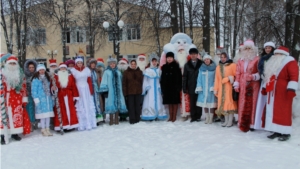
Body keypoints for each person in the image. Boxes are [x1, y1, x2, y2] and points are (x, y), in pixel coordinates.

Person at [260, 46, 299, 141]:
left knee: (283, 111)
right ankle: (276, 130)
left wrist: (291, 89)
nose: (275, 55)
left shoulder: (290, 62)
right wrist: (265, 87)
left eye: (278, 53)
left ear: (283, 55)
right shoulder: (273, 63)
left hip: (283, 91)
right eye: (275, 53)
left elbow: (294, 76)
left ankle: (285, 132)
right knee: (273, 111)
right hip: (272, 91)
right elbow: (269, 76)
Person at [233, 40, 260, 132]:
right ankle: (242, 122)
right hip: (242, 83)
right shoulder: (240, 60)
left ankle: (251, 123)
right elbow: (238, 73)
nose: (248, 50)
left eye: (249, 48)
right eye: (246, 48)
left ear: (253, 49)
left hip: (253, 85)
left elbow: (260, 72)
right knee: (242, 102)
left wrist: (253, 76)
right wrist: (236, 84)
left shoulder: (257, 59)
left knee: (252, 102)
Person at [1, 55, 29, 142]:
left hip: (16, 99)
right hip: (4, 98)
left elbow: (23, 87)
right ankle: (2, 134)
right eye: (11, 63)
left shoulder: (20, 75)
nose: (12, 65)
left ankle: (14, 133)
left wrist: (24, 100)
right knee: (3, 117)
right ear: (7, 64)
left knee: (16, 116)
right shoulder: (2, 74)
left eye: (14, 63)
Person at [254, 42, 276, 130]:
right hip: (263, 80)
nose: (267, 49)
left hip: (272, 80)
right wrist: (262, 74)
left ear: (272, 49)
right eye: (266, 48)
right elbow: (260, 68)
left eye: (269, 48)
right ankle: (261, 121)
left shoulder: (274, 57)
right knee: (262, 100)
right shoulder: (262, 58)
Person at [99, 57, 127, 125]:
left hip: (118, 92)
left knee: (118, 104)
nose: (112, 65)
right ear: (109, 64)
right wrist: (105, 91)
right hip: (110, 92)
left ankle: (116, 119)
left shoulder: (118, 72)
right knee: (111, 104)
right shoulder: (106, 72)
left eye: (114, 63)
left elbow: (121, 81)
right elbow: (104, 81)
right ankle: (111, 120)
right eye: (111, 64)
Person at [71, 57, 97, 130]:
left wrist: (91, 90)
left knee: (87, 104)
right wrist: (75, 92)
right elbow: (73, 82)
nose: (79, 64)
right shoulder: (73, 71)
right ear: (76, 63)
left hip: (86, 89)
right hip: (78, 88)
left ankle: (90, 123)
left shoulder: (86, 70)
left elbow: (89, 80)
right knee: (81, 105)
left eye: (81, 63)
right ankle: (82, 124)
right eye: (78, 63)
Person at [53, 63, 79, 131]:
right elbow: (53, 86)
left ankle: (71, 125)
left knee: (70, 110)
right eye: (62, 68)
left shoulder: (70, 76)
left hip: (69, 95)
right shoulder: (55, 76)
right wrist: (54, 89)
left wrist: (75, 95)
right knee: (61, 111)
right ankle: (63, 126)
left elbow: (74, 86)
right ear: (59, 69)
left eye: (64, 68)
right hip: (60, 95)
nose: (63, 69)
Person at [214, 52, 237, 127]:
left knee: (229, 103)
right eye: (221, 57)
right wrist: (216, 89)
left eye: (224, 57)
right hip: (221, 88)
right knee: (223, 104)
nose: (223, 59)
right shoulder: (218, 67)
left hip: (229, 88)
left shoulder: (232, 65)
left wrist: (228, 78)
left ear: (227, 57)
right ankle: (226, 120)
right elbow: (217, 79)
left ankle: (230, 121)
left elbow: (236, 75)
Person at [141, 53, 167, 120]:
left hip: (157, 89)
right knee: (150, 101)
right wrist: (146, 87)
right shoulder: (147, 70)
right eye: (153, 61)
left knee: (158, 101)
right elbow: (145, 81)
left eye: (155, 61)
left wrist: (160, 87)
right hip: (150, 89)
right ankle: (150, 115)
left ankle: (159, 114)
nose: (154, 63)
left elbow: (161, 80)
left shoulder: (159, 71)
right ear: (150, 62)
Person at [31, 64, 54, 136]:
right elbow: (34, 90)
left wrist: (52, 92)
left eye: (43, 70)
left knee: (48, 115)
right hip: (40, 99)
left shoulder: (47, 78)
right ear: (38, 71)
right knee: (42, 115)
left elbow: (50, 87)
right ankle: (43, 129)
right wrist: (36, 98)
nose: (42, 71)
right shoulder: (36, 79)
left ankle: (47, 128)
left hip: (47, 98)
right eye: (40, 70)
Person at [183, 48, 203, 122]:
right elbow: (185, 77)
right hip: (191, 85)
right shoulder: (187, 65)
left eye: (195, 54)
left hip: (200, 86)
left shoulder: (201, 63)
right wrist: (184, 87)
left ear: (197, 55)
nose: (193, 55)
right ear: (190, 55)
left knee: (199, 101)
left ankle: (198, 116)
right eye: (192, 54)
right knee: (192, 102)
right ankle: (193, 116)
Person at [160, 52, 182, 122]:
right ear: (166, 59)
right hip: (167, 88)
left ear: (173, 58)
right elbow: (162, 78)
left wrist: (179, 87)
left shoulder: (176, 66)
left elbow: (179, 78)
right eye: (168, 58)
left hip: (175, 88)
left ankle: (174, 117)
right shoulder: (164, 67)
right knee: (169, 102)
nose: (169, 59)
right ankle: (170, 116)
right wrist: (163, 87)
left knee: (174, 102)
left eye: (170, 58)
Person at [195, 54, 217, 124]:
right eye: (205, 60)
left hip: (211, 89)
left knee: (211, 104)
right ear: (204, 61)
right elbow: (199, 79)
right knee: (205, 104)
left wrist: (214, 87)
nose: (207, 61)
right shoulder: (201, 69)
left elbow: (216, 79)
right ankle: (207, 117)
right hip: (203, 89)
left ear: (210, 60)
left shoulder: (214, 68)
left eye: (208, 59)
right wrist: (199, 87)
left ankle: (211, 117)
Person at [122, 60, 143, 124]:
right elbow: (124, 83)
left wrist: (141, 89)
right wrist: (125, 92)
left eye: (134, 64)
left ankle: (137, 119)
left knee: (137, 106)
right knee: (131, 106)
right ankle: (132, 119)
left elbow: (142, 82)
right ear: (130, 65)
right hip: (130, 92)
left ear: (136, 64)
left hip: (138, 91)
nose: (133, 65)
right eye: (132, 64)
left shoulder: (139, 72)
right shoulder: (126, 72)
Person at [87, 58, 103, 124]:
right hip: (90, 89)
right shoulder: (87, 71)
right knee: (91, 103)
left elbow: (98, 80)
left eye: (94, 64)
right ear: (89, 64)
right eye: (92, 64)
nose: (93, 65)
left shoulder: (96, 71)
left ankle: (98, 118)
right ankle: (92, 118)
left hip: (96, 88)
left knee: (97, 103)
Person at [24, 59, 38, 131]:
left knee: (36, 108)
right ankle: (30, 123)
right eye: (30, 67)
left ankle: (36, 122)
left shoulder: (37, 75)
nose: (31, 69)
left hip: (36, 95)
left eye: (33, 67)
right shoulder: (25, 76)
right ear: (27, 68)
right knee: (29, 108)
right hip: (28, 94)